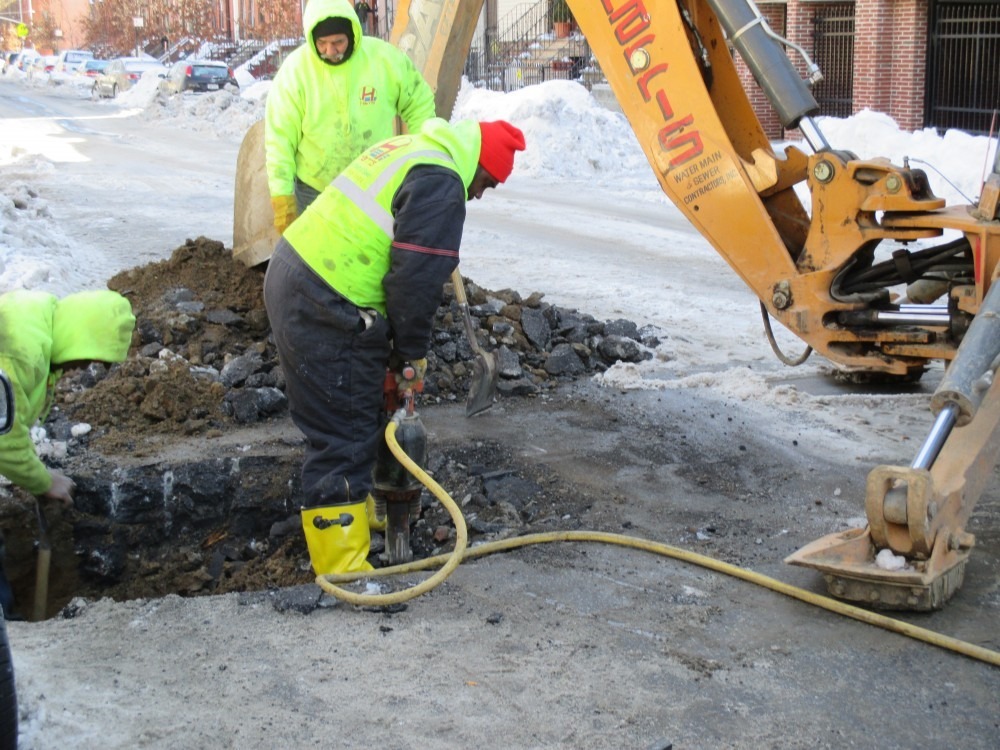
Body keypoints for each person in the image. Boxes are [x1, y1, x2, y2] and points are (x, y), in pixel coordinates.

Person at [263, 117, 525, 575]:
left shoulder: (412, 149)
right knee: (342, 438)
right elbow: (414, 284)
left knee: (356, 423)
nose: (480, 193)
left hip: (299, 275)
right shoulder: (442, 184)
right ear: (478, 165)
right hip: (326, 298)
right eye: (487, 182)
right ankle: (345, 574)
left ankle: (359, 529)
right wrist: (410, 355)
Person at [0, 290, 136, 618]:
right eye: (91, 359)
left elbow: (11, 421)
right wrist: (42, 480)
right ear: (83, 338)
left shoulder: (36, 331)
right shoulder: (22, 351)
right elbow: (3, 441)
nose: (84, 368)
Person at [264, 0, 436, 235]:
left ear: (353, 34)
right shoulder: (295, 73)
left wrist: (419, 158)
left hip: (375, 186)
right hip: (315, 189)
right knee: (316, 260)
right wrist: (283, 198)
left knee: (369, 258)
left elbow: (419, 103)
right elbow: (279, 140)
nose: (330, 51)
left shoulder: (384, 61)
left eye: (338, 42)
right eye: (322, 43)